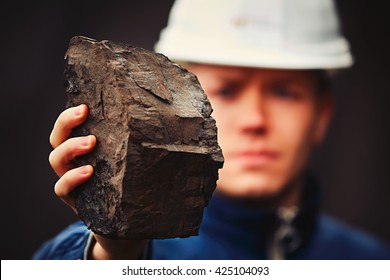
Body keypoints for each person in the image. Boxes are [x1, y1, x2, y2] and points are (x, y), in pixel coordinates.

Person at [33, 0, 390, 260]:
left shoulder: (369, 261)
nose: (255, 120)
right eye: (226, 91)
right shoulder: (124, 255)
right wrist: (114, 252)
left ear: (322, 113)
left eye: (284, 92)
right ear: (171, 104)